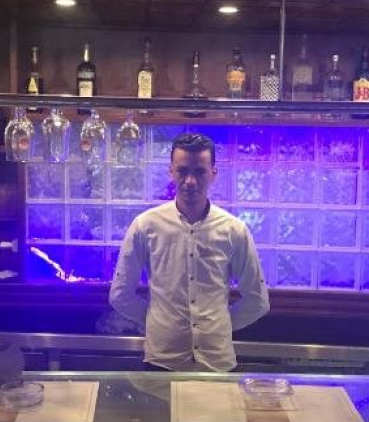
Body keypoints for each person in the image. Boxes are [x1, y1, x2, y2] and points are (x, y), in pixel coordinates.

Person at [109, 132, 270, 372]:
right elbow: (120, 294)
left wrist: (218, 326)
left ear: (213, 174)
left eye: (200, 172)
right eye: (183, 171)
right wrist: (160, 322)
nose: (190, 181)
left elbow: (258, 300)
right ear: (171, 172)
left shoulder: (233, 230)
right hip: (162, 362)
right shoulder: (146, 225)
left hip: (217, 364)